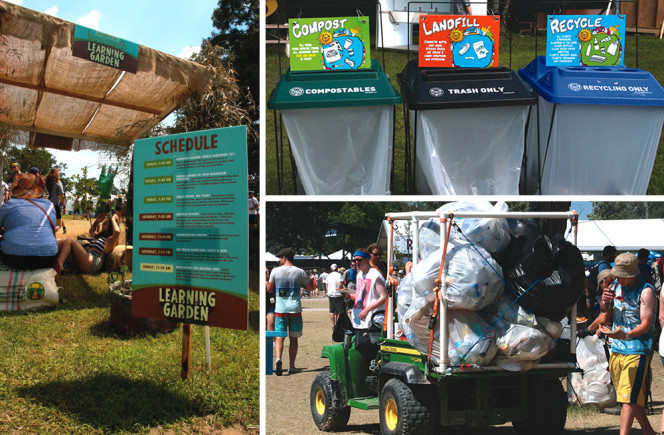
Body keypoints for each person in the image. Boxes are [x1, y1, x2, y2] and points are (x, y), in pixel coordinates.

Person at [600, 253, 656, 435]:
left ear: (632, 274)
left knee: (628, 400)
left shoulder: (645, 291)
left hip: (637, 349)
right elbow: (605, 313)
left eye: (622, 276)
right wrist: (605, 301)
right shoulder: (615, 286)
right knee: (631, 398)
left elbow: (646, 323)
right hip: (617, 349)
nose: (619, 279)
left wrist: (627, 334)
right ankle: (649, 432)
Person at [266, 248, 313, 376]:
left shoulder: (275, 271)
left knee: (280, 336)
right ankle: (291, 366)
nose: (279, 260)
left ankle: (278, 359)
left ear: (284, 258)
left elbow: (269, 289)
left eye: (280, 258)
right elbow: (311, 287)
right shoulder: (300, 272)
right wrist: (300, 285)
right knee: (294, 338)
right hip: (295, 309)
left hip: (280, 309)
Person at [0, 174, 58, 270]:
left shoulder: (9, 205)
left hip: (12, 258)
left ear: (18, 188)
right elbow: (52, 229)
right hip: (48, 258)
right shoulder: (49, 205)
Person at [351, 248, 387, 330]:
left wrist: (367, 310)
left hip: (373, 319)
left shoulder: (375, 275)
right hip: (360, 319)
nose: (356, 262)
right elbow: (361, 296)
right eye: (355, 260)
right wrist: (348, 295)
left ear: (367, 259)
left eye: (359, 260)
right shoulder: (359, 275)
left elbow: (383, 297)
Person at [44, 168, 67, 234]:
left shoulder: (46, 182)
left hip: (45, 205)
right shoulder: (58, 183)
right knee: (58, 225)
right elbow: (61, 196)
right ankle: (49, 234)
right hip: (54, 206)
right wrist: (64, 207)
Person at [266, 267, 275, 332]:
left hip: (271, 305)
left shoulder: (272, 283)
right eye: (266, 272)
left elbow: (273, 294)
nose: (267, 273)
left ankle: (273, 341)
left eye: (268, 272)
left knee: (271, 321)